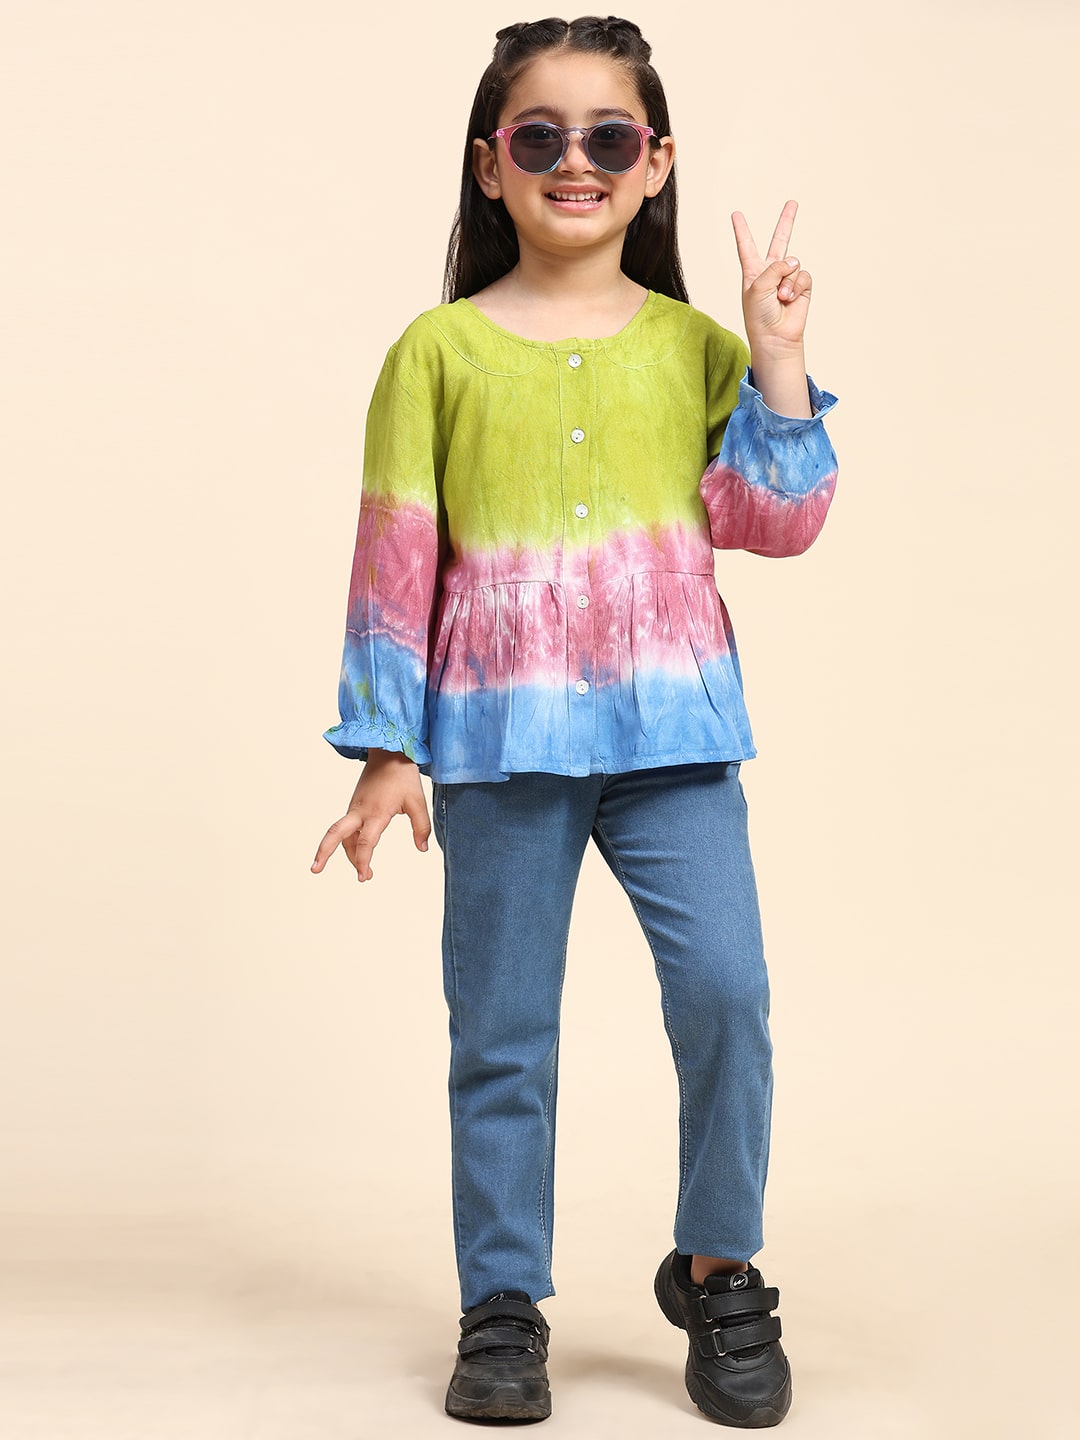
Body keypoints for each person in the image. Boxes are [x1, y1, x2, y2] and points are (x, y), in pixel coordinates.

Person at [311, 14, 837, 1428]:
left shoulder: (697, 350)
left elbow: (776, 522)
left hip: (676, 741)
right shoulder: (435, 352)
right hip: (499, 741)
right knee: (502, 1030)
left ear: (654, 162)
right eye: (539, 136)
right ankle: (502, 1300)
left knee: (728, 996)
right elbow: (394, 558)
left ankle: (719, 1268)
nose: (574, 161)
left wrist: (779, 358)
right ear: (491, 165)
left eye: (608, 136)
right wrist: (386, 751)